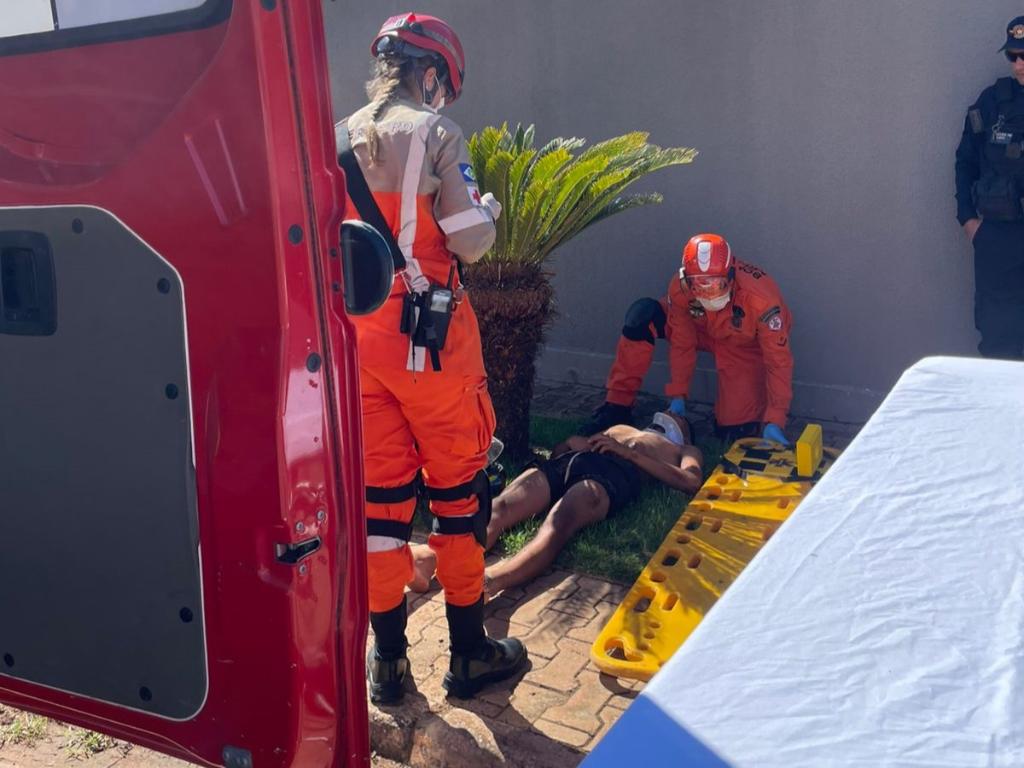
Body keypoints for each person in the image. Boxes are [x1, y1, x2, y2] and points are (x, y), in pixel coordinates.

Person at [336, 12, 526, 704]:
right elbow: (470, 241)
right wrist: (488, 210)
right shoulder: (438, 134)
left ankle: (388, 663)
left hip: (359, 347)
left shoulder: (335, 138)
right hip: (434, 349)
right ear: (432, 74)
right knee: (458, 497)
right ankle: (469, 654)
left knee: (380, 506)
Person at [409, 411, 704, 597]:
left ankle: (490, 581)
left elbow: (690, 481)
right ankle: (429, 559)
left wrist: (630, 454)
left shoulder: (683, 448)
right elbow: (564, 447)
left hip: (609, 476)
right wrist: (573, 443)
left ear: (684, 430)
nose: (671, 412)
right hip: (569, 463)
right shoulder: (623, 427)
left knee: (557, 524)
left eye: (678, 416)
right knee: (498, 508)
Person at [583, 234, 794, 446]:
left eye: (716, 285)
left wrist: (775, 418)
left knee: (735, 431)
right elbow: (682, 343)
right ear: (687, 279)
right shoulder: (681, 288)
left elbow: (778, 361)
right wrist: (678, 393)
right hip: (700, 331)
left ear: (730, 276)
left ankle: (738, 417)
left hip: (741, 347)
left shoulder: (762, 300)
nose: (707, 293)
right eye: (699, 285)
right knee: (641, 315)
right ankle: (617, 404)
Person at [954, 15, 1024, 360]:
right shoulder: (992, 102)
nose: (1019, 64)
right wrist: (968, 221)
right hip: (999, 238)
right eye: (1013, 56)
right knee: (999, 341)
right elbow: (965, 161)